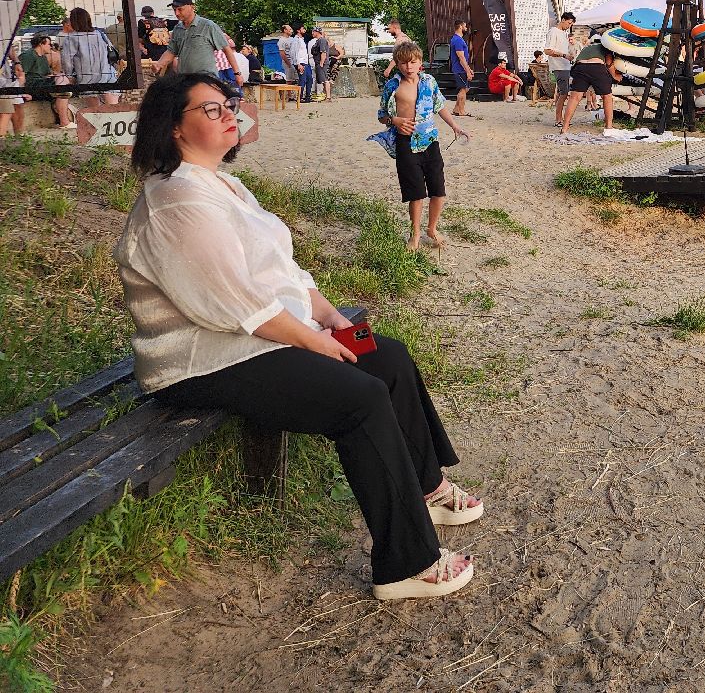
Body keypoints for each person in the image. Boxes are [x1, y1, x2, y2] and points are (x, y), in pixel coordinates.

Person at [115, 73, 482, 601]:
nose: (228, 116)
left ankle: (426, 488)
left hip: (255, 336)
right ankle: (405, 564)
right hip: (203, 359)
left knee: (387, 357)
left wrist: (329, 317)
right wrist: (312, 342)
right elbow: (232, 303)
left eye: (228, 106)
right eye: (211, 109)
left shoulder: (222, 184)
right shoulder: (175, 200)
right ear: (175, 127)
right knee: (359, 398)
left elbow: (276, 273)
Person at [372, 42, 469, 251]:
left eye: (413, 62)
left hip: (430, 142)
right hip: (405, 143)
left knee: (438, 190)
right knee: (415, 193)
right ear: (397, 64)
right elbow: (382, 116)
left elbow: (440, 106)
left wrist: (455, 126)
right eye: (404, 63)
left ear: (419, 62)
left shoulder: (429, 81)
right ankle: (415, 233)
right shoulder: (392, 86)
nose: (409, 67)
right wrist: (395, 121)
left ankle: (431, 228)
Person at [156, 0, 239, 80]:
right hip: (185, 79)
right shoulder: (177, 29)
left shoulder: (208, 26)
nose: (177, 13)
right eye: (174, 10)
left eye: (180, 9)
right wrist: (158, 65)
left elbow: (227, 49)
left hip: (206, 79)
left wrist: (237, 73)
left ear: (192, 7)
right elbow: (171, 52)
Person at [560, 36, 621, 135]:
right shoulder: (607, 47)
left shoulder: (587, 47)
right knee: (607, 97)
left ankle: (565, 127)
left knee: (574, 98)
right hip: (597, 67)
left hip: (579, 67)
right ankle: (609, 127)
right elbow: (609, 64)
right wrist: (615, 76)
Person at [59, 8, 120, 107]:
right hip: (108, 76)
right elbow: (111, 51)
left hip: (87, 78)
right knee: (113, 110)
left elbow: (67, 61)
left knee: (94, 113)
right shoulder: (100, 34)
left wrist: (69, 75)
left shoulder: (72, 39)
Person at [19, 34, 73, 128]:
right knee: (61, 83)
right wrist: (21, 92)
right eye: (49, 44)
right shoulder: (28, 55)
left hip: (41, 84)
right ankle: (64, 121)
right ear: (41, 44)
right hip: (32, 85)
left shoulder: (43, 57)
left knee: (63, 80)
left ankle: (62, 117)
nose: (51, 47)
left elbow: (46, 75)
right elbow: (20, 74)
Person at [545, 12, 575, 128]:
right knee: (563, 93)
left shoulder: (564, 34)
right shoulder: (553, 31)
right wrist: (563, 55)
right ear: (563, 19)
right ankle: (558, 120)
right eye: (569, 23)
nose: (569, 25)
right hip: (559, 66)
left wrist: (569, 55)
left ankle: (561, 118)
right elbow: (547, 50)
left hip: (566, 66)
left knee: (563, 93)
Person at [448, 21, 477, 117]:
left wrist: (469, 69)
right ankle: (461, 111)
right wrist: (467, 71)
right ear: (460, 27)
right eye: (465, 26)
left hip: (461, 68)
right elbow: (461, 57)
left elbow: (464, 58)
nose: (466, 28)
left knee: (466, 88)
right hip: (459, 69)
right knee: (463, 89)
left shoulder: (458, 39)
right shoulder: (458, 40)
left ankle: (456, 109)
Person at [0, 42, 26, 136]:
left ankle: (19, 139)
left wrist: (17, 62)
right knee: (6, 107)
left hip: (6, 75)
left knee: (16, 104)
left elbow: (7, 43)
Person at [309, 29, 331, 102]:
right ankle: (326, 96)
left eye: (313, 31)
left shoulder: (322, 40)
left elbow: (323, 52)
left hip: (322, 63)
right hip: (318, 62)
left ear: (317, 32)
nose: (312, 33)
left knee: (325, 79)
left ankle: (328, 97)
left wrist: (321, 63)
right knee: (322, 79)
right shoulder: (317, 41)